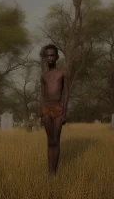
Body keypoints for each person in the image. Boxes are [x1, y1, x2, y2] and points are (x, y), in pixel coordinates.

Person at [39, 44, 69, 176]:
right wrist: (41, 113)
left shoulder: (62, 73)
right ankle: (49, 170)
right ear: (44, 57)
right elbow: (42, 95)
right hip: (46, 109)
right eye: (47, 56)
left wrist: (64, 113)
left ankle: (53, 172)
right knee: (49, 141)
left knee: (55, 141)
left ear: (56, 57)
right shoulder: (44, 75)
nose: (49, 58)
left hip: (58, 108)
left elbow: (66, 93)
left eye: (52, 55)